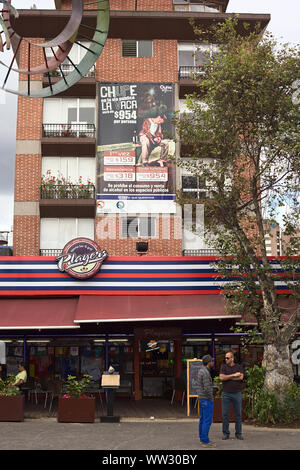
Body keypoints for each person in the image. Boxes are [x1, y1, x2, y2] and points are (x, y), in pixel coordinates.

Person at [219, 350, 244, 440]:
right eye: (225, 358)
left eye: (228, 358)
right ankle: (225, 433)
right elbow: (221, 377)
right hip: (226, 393)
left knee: (238, 414)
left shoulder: (239, 366)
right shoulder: (223, 366)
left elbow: (241, 377)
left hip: (237, 393)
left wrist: (228, 377)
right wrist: (234, 375)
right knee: (225, 414)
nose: (226, 359)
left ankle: (238, 433)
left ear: (232, 358)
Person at [197, 354, 216, 448]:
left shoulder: (201, 371)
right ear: (208, 363)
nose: (212, 362)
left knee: (202, 419)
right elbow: (207, 388)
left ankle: (202, 438)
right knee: (207, 420)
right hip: (206, 399)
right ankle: (205, 440)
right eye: (211, 361)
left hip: (201, 398)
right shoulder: (205, 372)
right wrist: (211, 398)